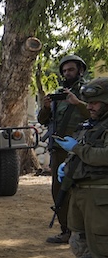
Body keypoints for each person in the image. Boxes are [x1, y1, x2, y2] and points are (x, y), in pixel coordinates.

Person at [51, 77, 108, 258]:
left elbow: (103, 156)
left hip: (101, 192)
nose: (90, 106)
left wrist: (76, 148)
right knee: (79, 238)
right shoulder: (91, 124)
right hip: (81, 190)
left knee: (101, 241)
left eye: (95, 103)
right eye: (89, 102)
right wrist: (67, 166)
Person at [38, 54, 90, 244]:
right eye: (65, 71)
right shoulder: (58, 94)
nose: (68, 73)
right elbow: (43, 120)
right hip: (60, 151)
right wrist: (45, 107)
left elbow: (98, 114)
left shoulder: (88, 92)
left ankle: (84, 230)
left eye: (71, 70)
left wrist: (77, 103)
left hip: (82, 148)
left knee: (82, 190)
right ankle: (66, 229)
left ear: (80, 70)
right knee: (59, 190)